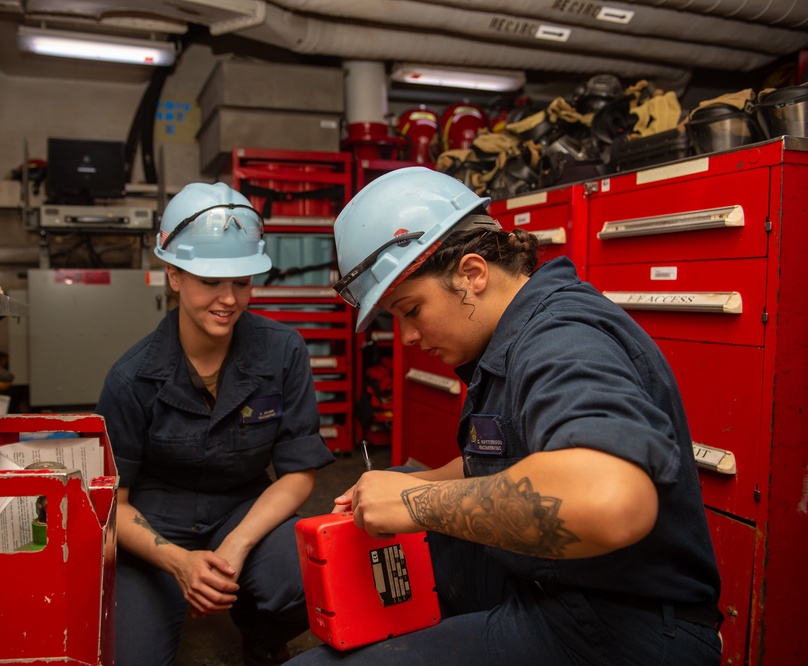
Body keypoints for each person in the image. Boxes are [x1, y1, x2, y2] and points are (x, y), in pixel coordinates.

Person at [288, 167, 722, 665]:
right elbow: (502, 458)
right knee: (390, 490)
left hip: (621, 630)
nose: (406, 336)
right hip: (547, 584)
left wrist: (418, 502)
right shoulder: (510, 332)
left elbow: (609, 499)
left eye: (411, 309)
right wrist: (412, 484)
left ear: (472, 274)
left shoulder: (561, 339)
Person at [95, 182, 335, 666]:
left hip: (243, 507)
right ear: (174, 276)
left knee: (307, 577)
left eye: (243, 281)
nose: (229, 299)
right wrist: (178, 562)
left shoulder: (283, 351)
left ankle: (262, 633)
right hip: (155, 519)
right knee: (130, 656)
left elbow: (297, 471)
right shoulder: (129, 377)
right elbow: (112, 506)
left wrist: (236, 545)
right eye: (210, 281)